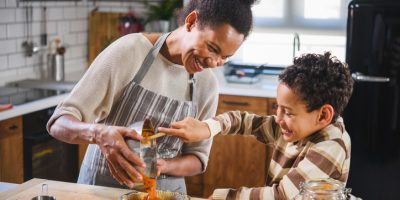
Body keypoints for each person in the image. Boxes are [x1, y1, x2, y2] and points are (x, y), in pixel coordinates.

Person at [46, 0, 258, 194]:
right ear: (192, 21)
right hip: (102, 191)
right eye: (212, 48)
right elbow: (59, 122)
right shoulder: (131, 52)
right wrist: (99, 133)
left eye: (224, 57)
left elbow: (198, 158)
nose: (213, 62)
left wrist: (163, 166)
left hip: (166, 194)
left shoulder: (207, 85)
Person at [158, 52, 354, 199]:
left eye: (288, 112)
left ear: (323, 115)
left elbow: (281, 196)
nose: (277, 118)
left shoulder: (331, 144)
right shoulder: (297, 126)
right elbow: (242, 121)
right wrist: (208, 128)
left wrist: (224, 197)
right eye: (278, 107)